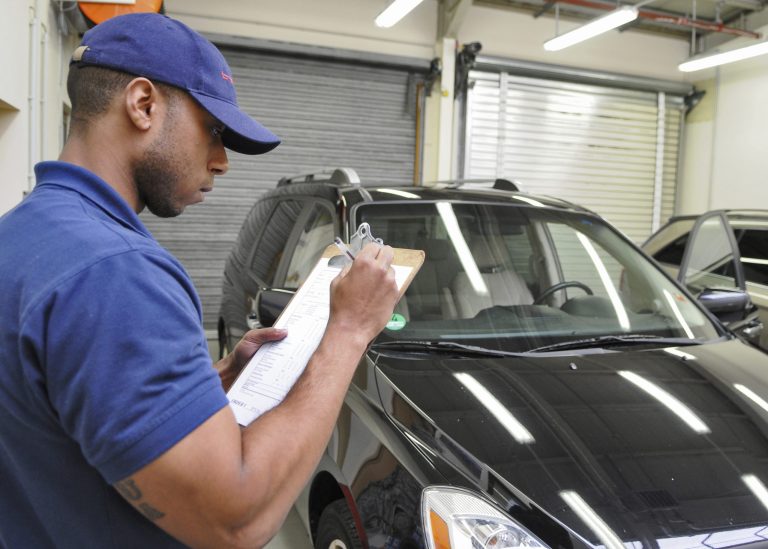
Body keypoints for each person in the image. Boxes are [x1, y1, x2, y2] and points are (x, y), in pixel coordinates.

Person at [0, 12, 400, 549]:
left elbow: (62, 413)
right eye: (213, 131)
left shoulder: (24, 232)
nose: (222, 163)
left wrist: (206, 385)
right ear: (143, 105)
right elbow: (236, 520)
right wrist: (349, 329)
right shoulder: (117, 273)